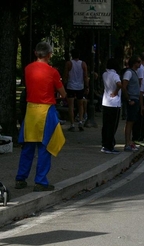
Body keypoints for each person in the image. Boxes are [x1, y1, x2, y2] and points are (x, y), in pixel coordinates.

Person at [15, 41, 67, 192]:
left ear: (35, 53)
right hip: (46, 110)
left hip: (31, 109)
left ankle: (20, 178)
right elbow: (63, 93)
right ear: (50, 55)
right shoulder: (53, 72)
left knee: (28, 146)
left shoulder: (28, 69)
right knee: (45, 146)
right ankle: (40, 180)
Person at [63, 49, 89, 132]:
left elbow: (66, 75)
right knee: (80, 105)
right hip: (80, 87)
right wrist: (87, 86)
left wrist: (64, 84)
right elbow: (85, 76)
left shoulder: (69, 63)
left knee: (71, 106)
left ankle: (72, 124)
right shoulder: (83, 64)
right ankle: (80, 121)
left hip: (71, 86)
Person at [101, 58, 122, 154]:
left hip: (106, 101)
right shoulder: (115, 75)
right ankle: (110, 145)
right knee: (112, 125)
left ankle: (105, 144)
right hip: (114, 102)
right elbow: (119, 84)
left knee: (106, 124)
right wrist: (116, 91)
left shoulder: (104, 74)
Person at [121, 55, 141, 152]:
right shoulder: (129, 73)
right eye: (138, 62)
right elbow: (124, 86)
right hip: (132, 99)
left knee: (132, 121)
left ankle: (129, 142)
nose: (140, 64)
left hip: (135, 98)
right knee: (130, 121)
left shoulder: (134, 73)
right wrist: (128, 99)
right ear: (134, 63)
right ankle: (127, 143)